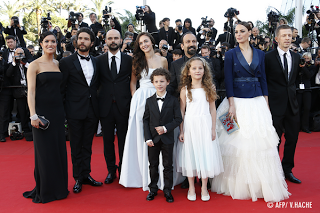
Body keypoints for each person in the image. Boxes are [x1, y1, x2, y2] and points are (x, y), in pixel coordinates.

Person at [211, 22, 290, 202]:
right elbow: (228, 80)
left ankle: (259, 184)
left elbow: (262, 78)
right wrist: (231, 104)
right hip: (237, 100)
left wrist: (266, 103)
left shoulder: (260, 54)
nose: (238, 34)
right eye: (236, 32)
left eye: (242, 31)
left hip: (256, 100)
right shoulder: (230, 54)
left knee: (259, 143)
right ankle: (238, 184)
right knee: (236, 142)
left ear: (249, 34)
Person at [120, 32, 184, 191]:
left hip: (160, 96)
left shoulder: (163, 60)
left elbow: (167, 81)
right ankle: (144, 175)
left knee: (160, 134)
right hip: (142, 100)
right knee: (144, 134)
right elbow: (133, 83)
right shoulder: (137, 61)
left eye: (146, 41)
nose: (143, 45)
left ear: (151, 42)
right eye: (140, 43)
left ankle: (163, 177)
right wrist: (136, 100)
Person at [23, 31, 69, 203]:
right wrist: (33, 115)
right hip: (41, 114)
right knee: (44, 153)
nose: (50, 44)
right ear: (41, 43)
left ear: (57, 43)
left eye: (53, 41)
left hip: (57, 113)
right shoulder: (34, 65)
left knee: (58, 151)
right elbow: (31, 92)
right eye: (47, 41)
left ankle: (59, 189)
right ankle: (46, 191)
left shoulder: (58, 63)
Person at [60, 27, 102, 194]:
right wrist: (63, 112)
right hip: (74, 110)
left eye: (86, 39)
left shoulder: (97, 61)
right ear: (76, 41)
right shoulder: (66, 62)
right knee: (76, 146)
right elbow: (61, 89)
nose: (83, 41)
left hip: (92, 110)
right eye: (80, 38)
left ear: (91, 43)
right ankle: (78, 177)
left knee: (88, 145)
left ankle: (86, 175)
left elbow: (96, 85)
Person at [177, 57, 223, 201]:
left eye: (200, 68)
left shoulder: (209, 88)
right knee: (190, 155)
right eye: (194, 68)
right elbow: (182, 112)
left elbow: (213, 109)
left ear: (204, 71)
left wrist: (213, 128)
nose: (197, 70)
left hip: (205, 125)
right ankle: (191, 187)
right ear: (188, 72)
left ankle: (203, 187)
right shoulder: (185, 90)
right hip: (190, 126)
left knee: (205, 155)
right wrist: (182, 130)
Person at [265, 24, 306, 184]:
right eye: (284, 35)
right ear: (276, 39)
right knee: (275, 140)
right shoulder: (267, 57)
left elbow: (293, 81)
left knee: (293, 139)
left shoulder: (296, 57)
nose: (288, 38)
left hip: (292, 105)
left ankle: (287, 169)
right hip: (274, 105)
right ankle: (274, 171)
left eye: (289, 35)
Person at [96, 29, 132, 184]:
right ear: (105, 40)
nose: (113, 40)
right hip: (105, 107)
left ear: (121, 40)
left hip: (124, 106)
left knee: (125, 141)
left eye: (116, 38)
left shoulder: (129, 60)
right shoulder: (98, 60)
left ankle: (124, 170)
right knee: (107, 141)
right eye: (110, 38)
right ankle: (111, 171)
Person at [143, 68, 182, 203]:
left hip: (167, 138)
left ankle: (167, 190)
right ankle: (153, 189)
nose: (159, 84)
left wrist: (165, 128)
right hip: (152, 139)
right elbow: (146, 120)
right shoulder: (149, 101)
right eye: (156, 81)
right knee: (152, 165)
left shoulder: (173, 100)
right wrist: (147, 137)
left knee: (168, 166)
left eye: (162, 81)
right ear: (153, 83)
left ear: (168, 82)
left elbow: (178, 119)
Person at [296, 52, 316, 133]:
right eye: (304, 58)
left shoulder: (312, 67)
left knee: (307, 108)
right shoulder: (297, 66)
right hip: (298, 89)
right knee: (298, 108)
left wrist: (304, 67)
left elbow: (309, 76)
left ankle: (305, 126)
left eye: (308, 58)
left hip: (307, 89)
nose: (306, 60)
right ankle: (297, 126)